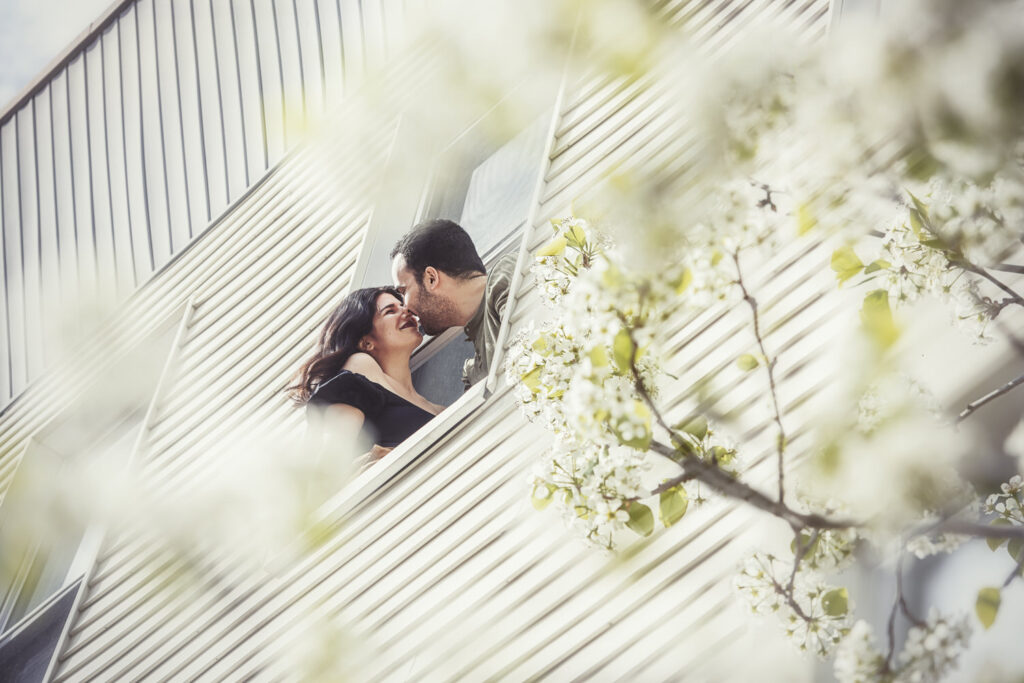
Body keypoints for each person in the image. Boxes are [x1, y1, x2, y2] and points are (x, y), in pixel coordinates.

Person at [288, 286, 443, 468]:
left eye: (402, 305)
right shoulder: (360, 365)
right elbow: (328, 463)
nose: (406, 310)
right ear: (366, 342)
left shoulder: (434, 408)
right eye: (390, 311)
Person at [390, 219, 516, 388]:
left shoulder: (507, 275)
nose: (404, 308)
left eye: (403, 291)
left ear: (431, 278)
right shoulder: (474, 371)